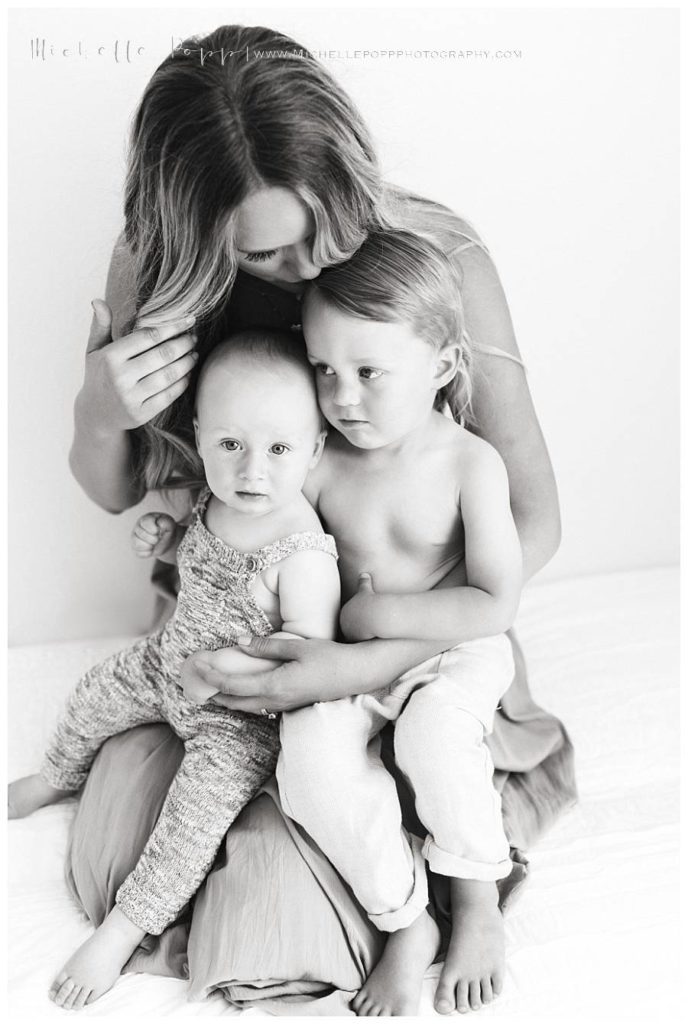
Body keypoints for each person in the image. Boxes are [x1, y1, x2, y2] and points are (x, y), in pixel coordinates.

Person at [65, 23, 576, 1016]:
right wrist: (99, 409)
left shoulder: (430, 259)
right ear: (198, 237)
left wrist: (368, 653)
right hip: (236, 637)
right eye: (268, 250)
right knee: (177, 833)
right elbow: (120, 488)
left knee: (392, 790)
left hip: (416, 629)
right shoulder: (155, 276)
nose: (313, 263)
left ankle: (427, 906)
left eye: (324, 222)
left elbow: (531, 518)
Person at [9, 331, 340, 1011]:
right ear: (200, 437)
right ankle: (55, 775)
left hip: (239, 721)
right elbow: (191, 571)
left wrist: (225, 670)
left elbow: (309, 648)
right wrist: (162, 538)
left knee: (190, 824)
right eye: (231, 446)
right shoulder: (211, 500)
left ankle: (122, 931)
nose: (253, 471)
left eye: (279, 450)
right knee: (94, 692)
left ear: (315, 449)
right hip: (166, 665)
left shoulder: (302, 551)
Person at [259, 229, 519, 1016]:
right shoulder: (322, 462)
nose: (341, 398)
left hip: (454, 650)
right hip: (353, 663)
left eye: (369, 373)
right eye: (324, 370)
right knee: (305, 764)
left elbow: (495, 602)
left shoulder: (471, 463)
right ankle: (404, 918)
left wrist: (383, 612)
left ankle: (475, 898)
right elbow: (257, 515)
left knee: (433, 737)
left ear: (441, 365)